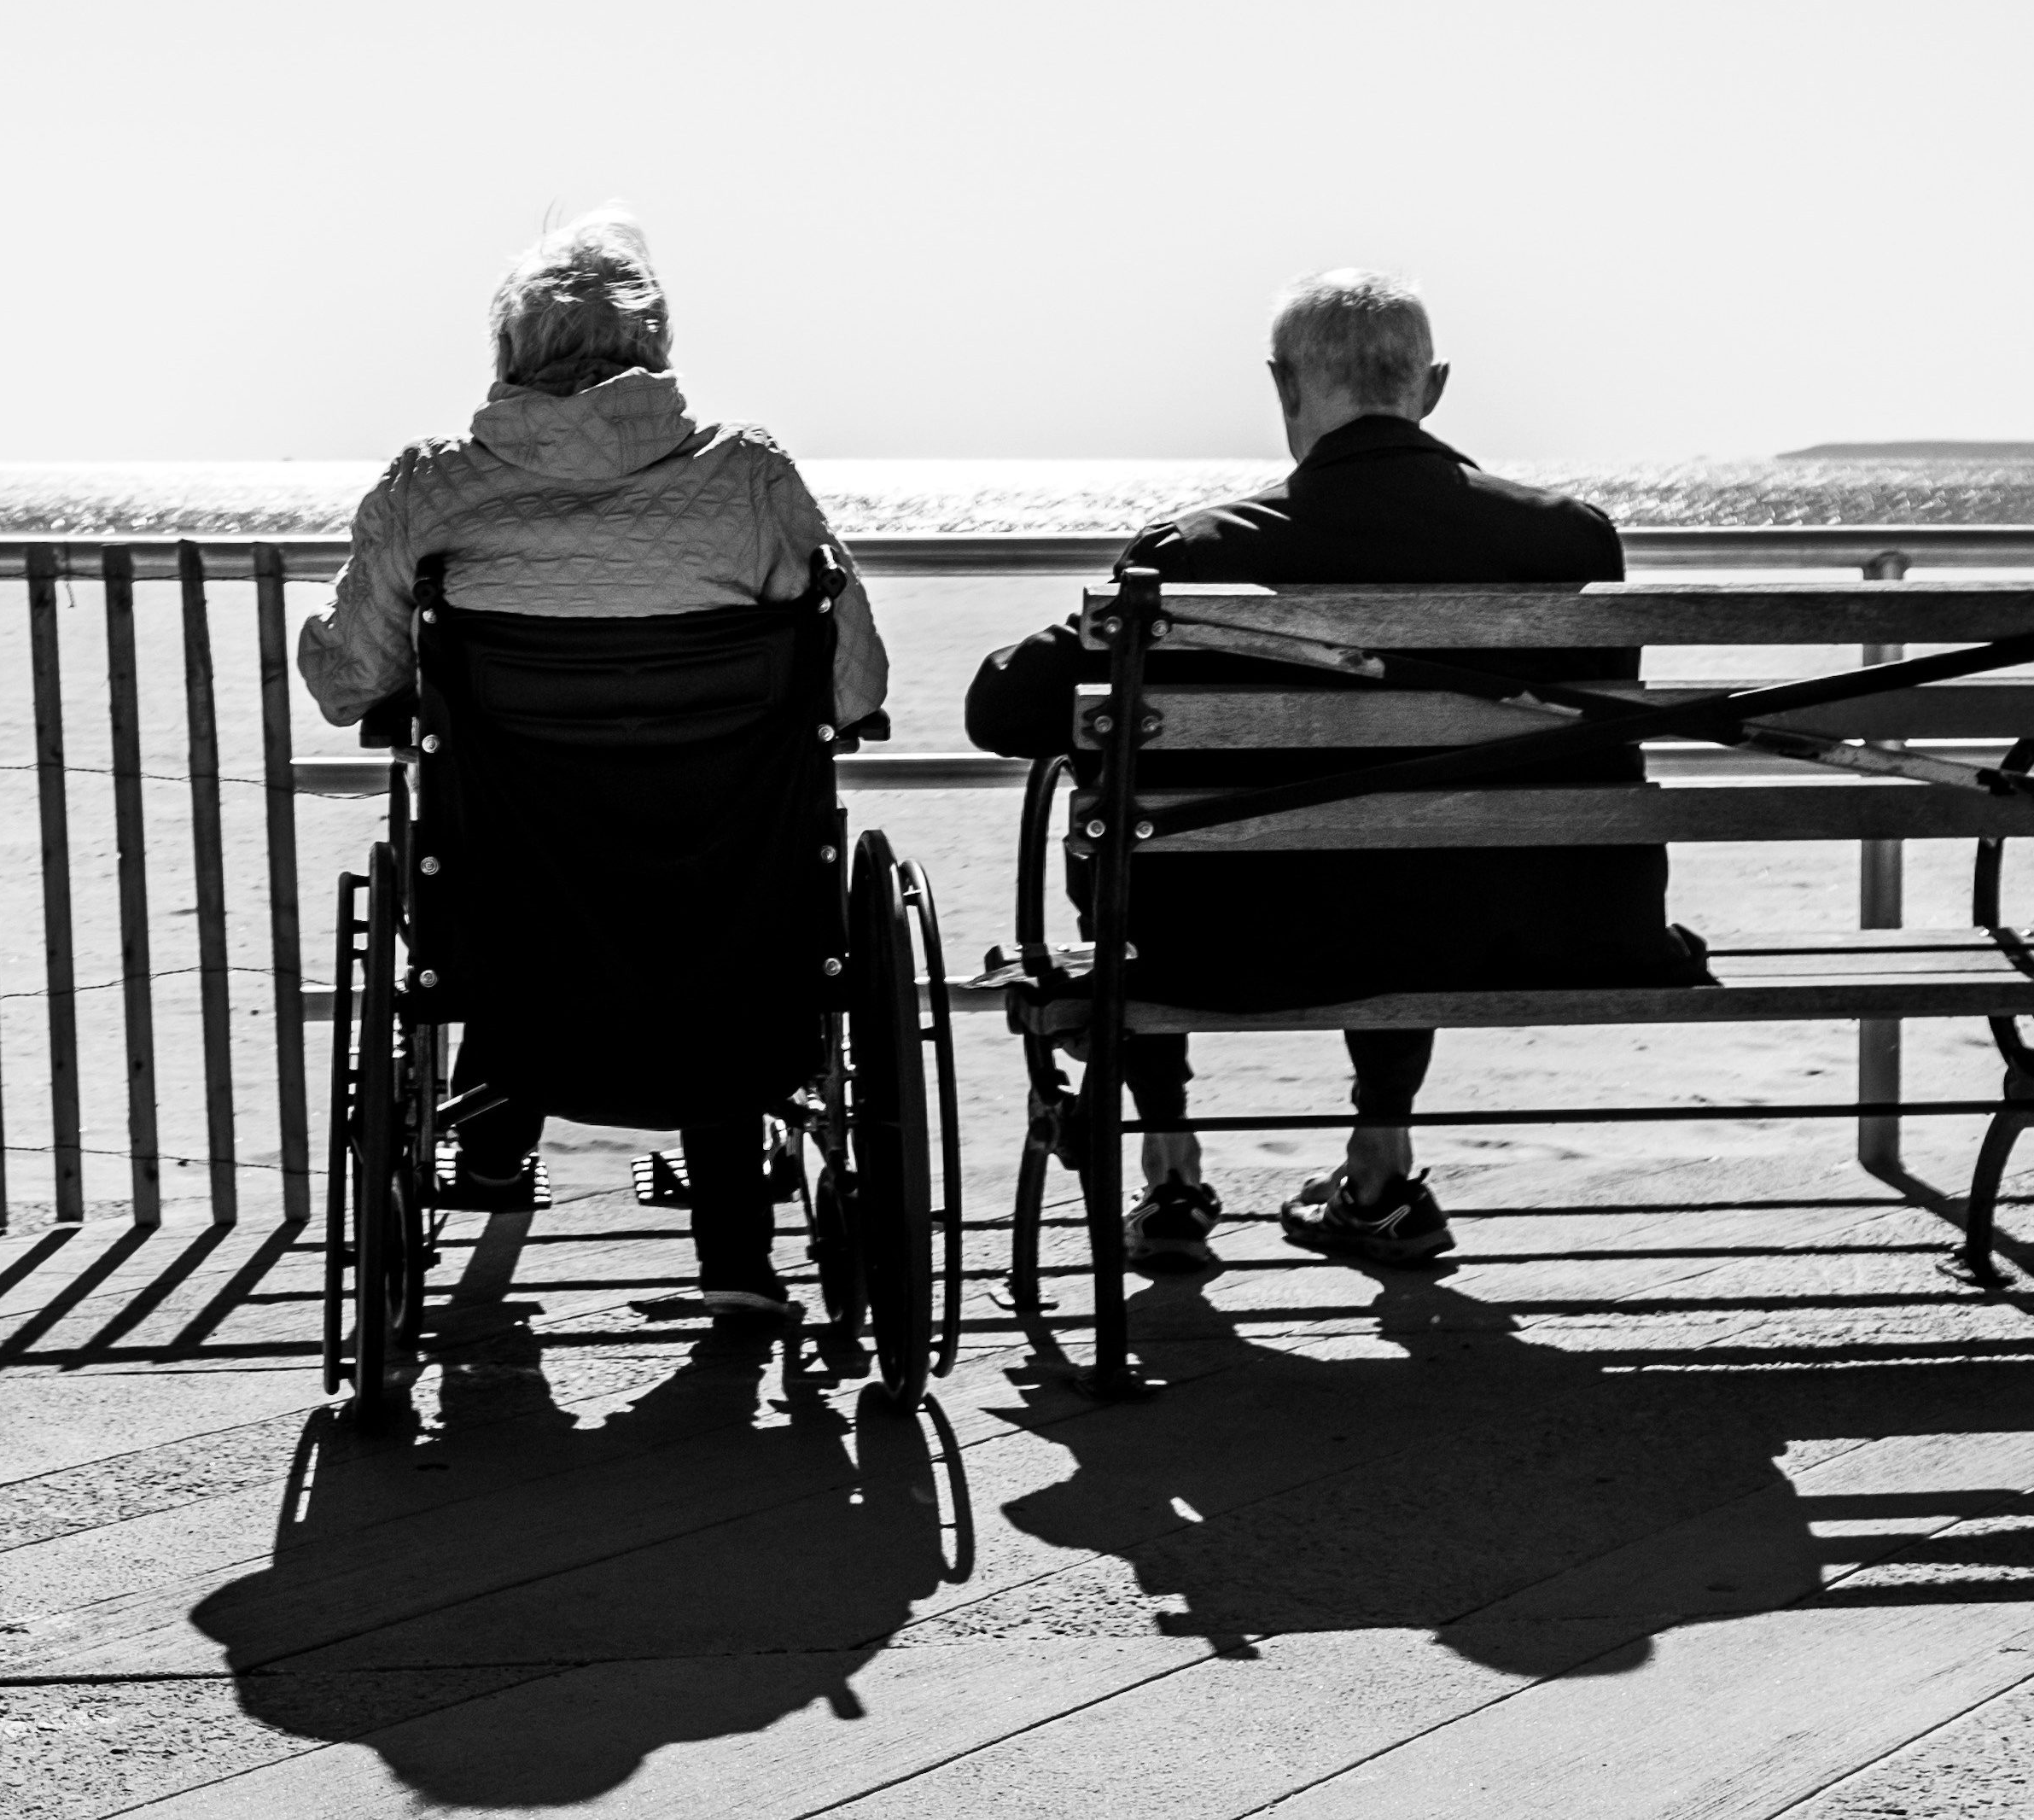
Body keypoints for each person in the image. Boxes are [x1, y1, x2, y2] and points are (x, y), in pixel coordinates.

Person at [963, 269, 1707, 1271]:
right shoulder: (1568, 538)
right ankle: (1379, 1165)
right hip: (1526, 930)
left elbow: (998, 710)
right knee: (1422, 842)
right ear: (1431, 387)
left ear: (1282, 387)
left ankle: (1170, 1168)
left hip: (1232, 948)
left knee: (1131, 819)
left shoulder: (1192, 554)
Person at [299, 208, 889, 1315]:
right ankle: (735, 1263)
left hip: (519, 918)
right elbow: (852, 687)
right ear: (654, 348)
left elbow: (347, 684)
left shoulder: (429, 488)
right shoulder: (746, 477)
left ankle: (485, 1149)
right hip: (728, 918)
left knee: (529, 855)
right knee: (701, 874)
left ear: (509, 354)